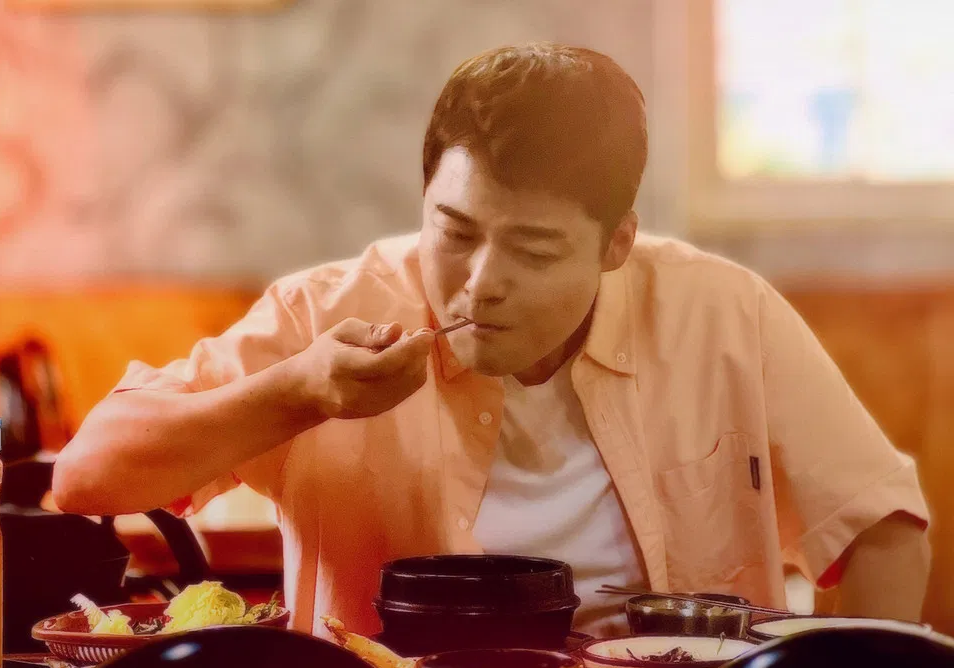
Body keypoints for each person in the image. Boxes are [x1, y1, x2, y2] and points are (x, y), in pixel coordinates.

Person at [52, 43, 931, 637]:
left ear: (617, 243)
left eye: (535, 251)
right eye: (455, 231)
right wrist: (298, 392)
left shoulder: (720, 312)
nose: (479, 283)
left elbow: (883, 526)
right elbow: (87, 476)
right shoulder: (330, 312)